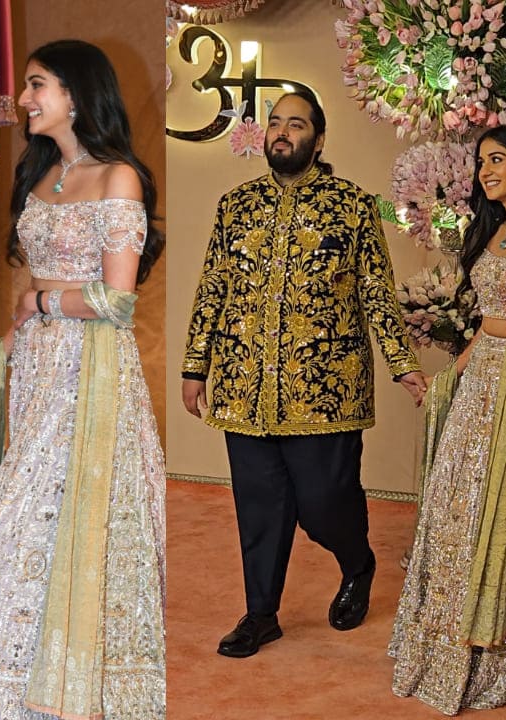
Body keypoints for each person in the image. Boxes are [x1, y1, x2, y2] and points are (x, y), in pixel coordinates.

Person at [0, 39, 167, 719]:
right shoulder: (43, 176)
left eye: (37, 85)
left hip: (90, 371)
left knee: (60, 516)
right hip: (40, 370)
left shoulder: (119, 179)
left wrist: (39, 302)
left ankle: (65, 677)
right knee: (29, 517)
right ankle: (15, 668)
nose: (24, 99)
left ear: (76, 95)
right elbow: (37, 292)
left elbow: (116, 301)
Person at [181, 90, 427, 659]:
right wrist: (196, 366)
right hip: (245, 386)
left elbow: (375, 293)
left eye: (296, 123)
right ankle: (261, 613)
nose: (282, 132)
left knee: (323, 503)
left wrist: (402, 365)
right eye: (275, 123)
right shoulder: (234, 205)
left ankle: (356, 561)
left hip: (326, 389)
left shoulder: (354, 206)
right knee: (260, 507)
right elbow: (213, 288)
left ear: (319, 137)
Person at [389, 125, 506, 714]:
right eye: (480, 162)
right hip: (481, 386)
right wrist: (454, 376)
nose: (485, 170)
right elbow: (488, 324)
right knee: (461, 506)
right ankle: (453, 643)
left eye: (497, 159)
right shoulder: (494, 234)